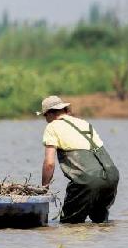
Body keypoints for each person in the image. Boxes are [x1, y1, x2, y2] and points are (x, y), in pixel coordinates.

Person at [39, 95, 120, 223]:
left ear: (50, 113)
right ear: (65, 110)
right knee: (100, 223)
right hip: (112, 177)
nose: (46, 120)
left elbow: (49, 163)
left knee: (69, 224)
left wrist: (44, 189)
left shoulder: (52, 127)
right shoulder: (84, 123)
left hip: (87, 180)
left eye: (45, 116)